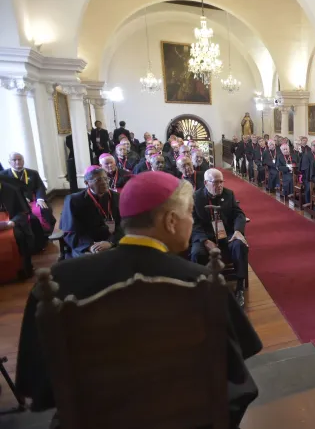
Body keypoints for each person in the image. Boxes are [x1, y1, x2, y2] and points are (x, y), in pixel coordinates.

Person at [16, 170, 262, 427]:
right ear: (170, 221)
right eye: (189, 213)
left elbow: (39, 387)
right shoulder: (202, 282)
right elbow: (236, 374)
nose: (192, 221)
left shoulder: (57, 280)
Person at [191, 169, 249, 307]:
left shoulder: (229, 194)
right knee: (196, 253)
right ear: (206, 183)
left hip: (226, 234)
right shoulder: (196, 197)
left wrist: (238, 231)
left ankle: (239, 287)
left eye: (221, 182)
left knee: (239, 245)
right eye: (215, 182)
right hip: (205, 235)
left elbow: (239, 214)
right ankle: (202, 288)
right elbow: (194, 222)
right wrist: (205, 241)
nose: (220, 185)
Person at [60, 166, 124, 258]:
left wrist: (111, 242)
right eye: (98, 180)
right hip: (86, 245)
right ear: (87, 183)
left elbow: (124, 224)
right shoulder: (74, 200)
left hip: (113, 241)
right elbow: (70, 231)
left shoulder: (117, 197)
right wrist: (90, 246)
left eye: (106, 179)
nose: (104, 182)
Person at [1, 152, 56, 239]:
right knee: (21, 217)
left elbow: (39, 187)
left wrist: (40, 199)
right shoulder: (3, 175)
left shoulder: (33, 173)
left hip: (32, 200)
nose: (17, 162)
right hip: (15, 204)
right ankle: (27, 238)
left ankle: (45, 235)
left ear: (23, 161)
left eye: (19, 159)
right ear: (9, 162)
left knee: (45, 209)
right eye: (14, 160)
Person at [0, 175, 34, 277]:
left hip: (11, 222)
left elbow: (23, 212)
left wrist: (13, 222)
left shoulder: (12, 190)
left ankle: (22, 270)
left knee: (19, 236)